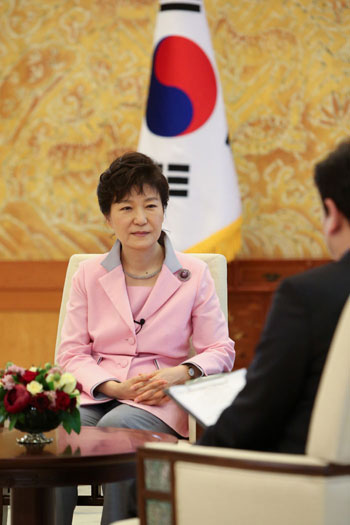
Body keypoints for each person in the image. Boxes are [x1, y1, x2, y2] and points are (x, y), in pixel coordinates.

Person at [55, 151, 235, 524]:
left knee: (117, 430)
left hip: (159, 396)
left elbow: (220, 349)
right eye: (126, 208)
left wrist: (179, 374)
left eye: (151, 205)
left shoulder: (195, 273)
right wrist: (114, 387)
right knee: (60, 435)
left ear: (164, 210)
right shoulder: (87, 274)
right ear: (108, 217)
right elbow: (71, 353)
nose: (140, 219)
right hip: (98, 391)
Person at [199, 139, 350, 453]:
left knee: (145, 488)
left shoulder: (306, 296)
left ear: (332, 214)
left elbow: (253, 419)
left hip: (302, 484)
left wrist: (190, 454)